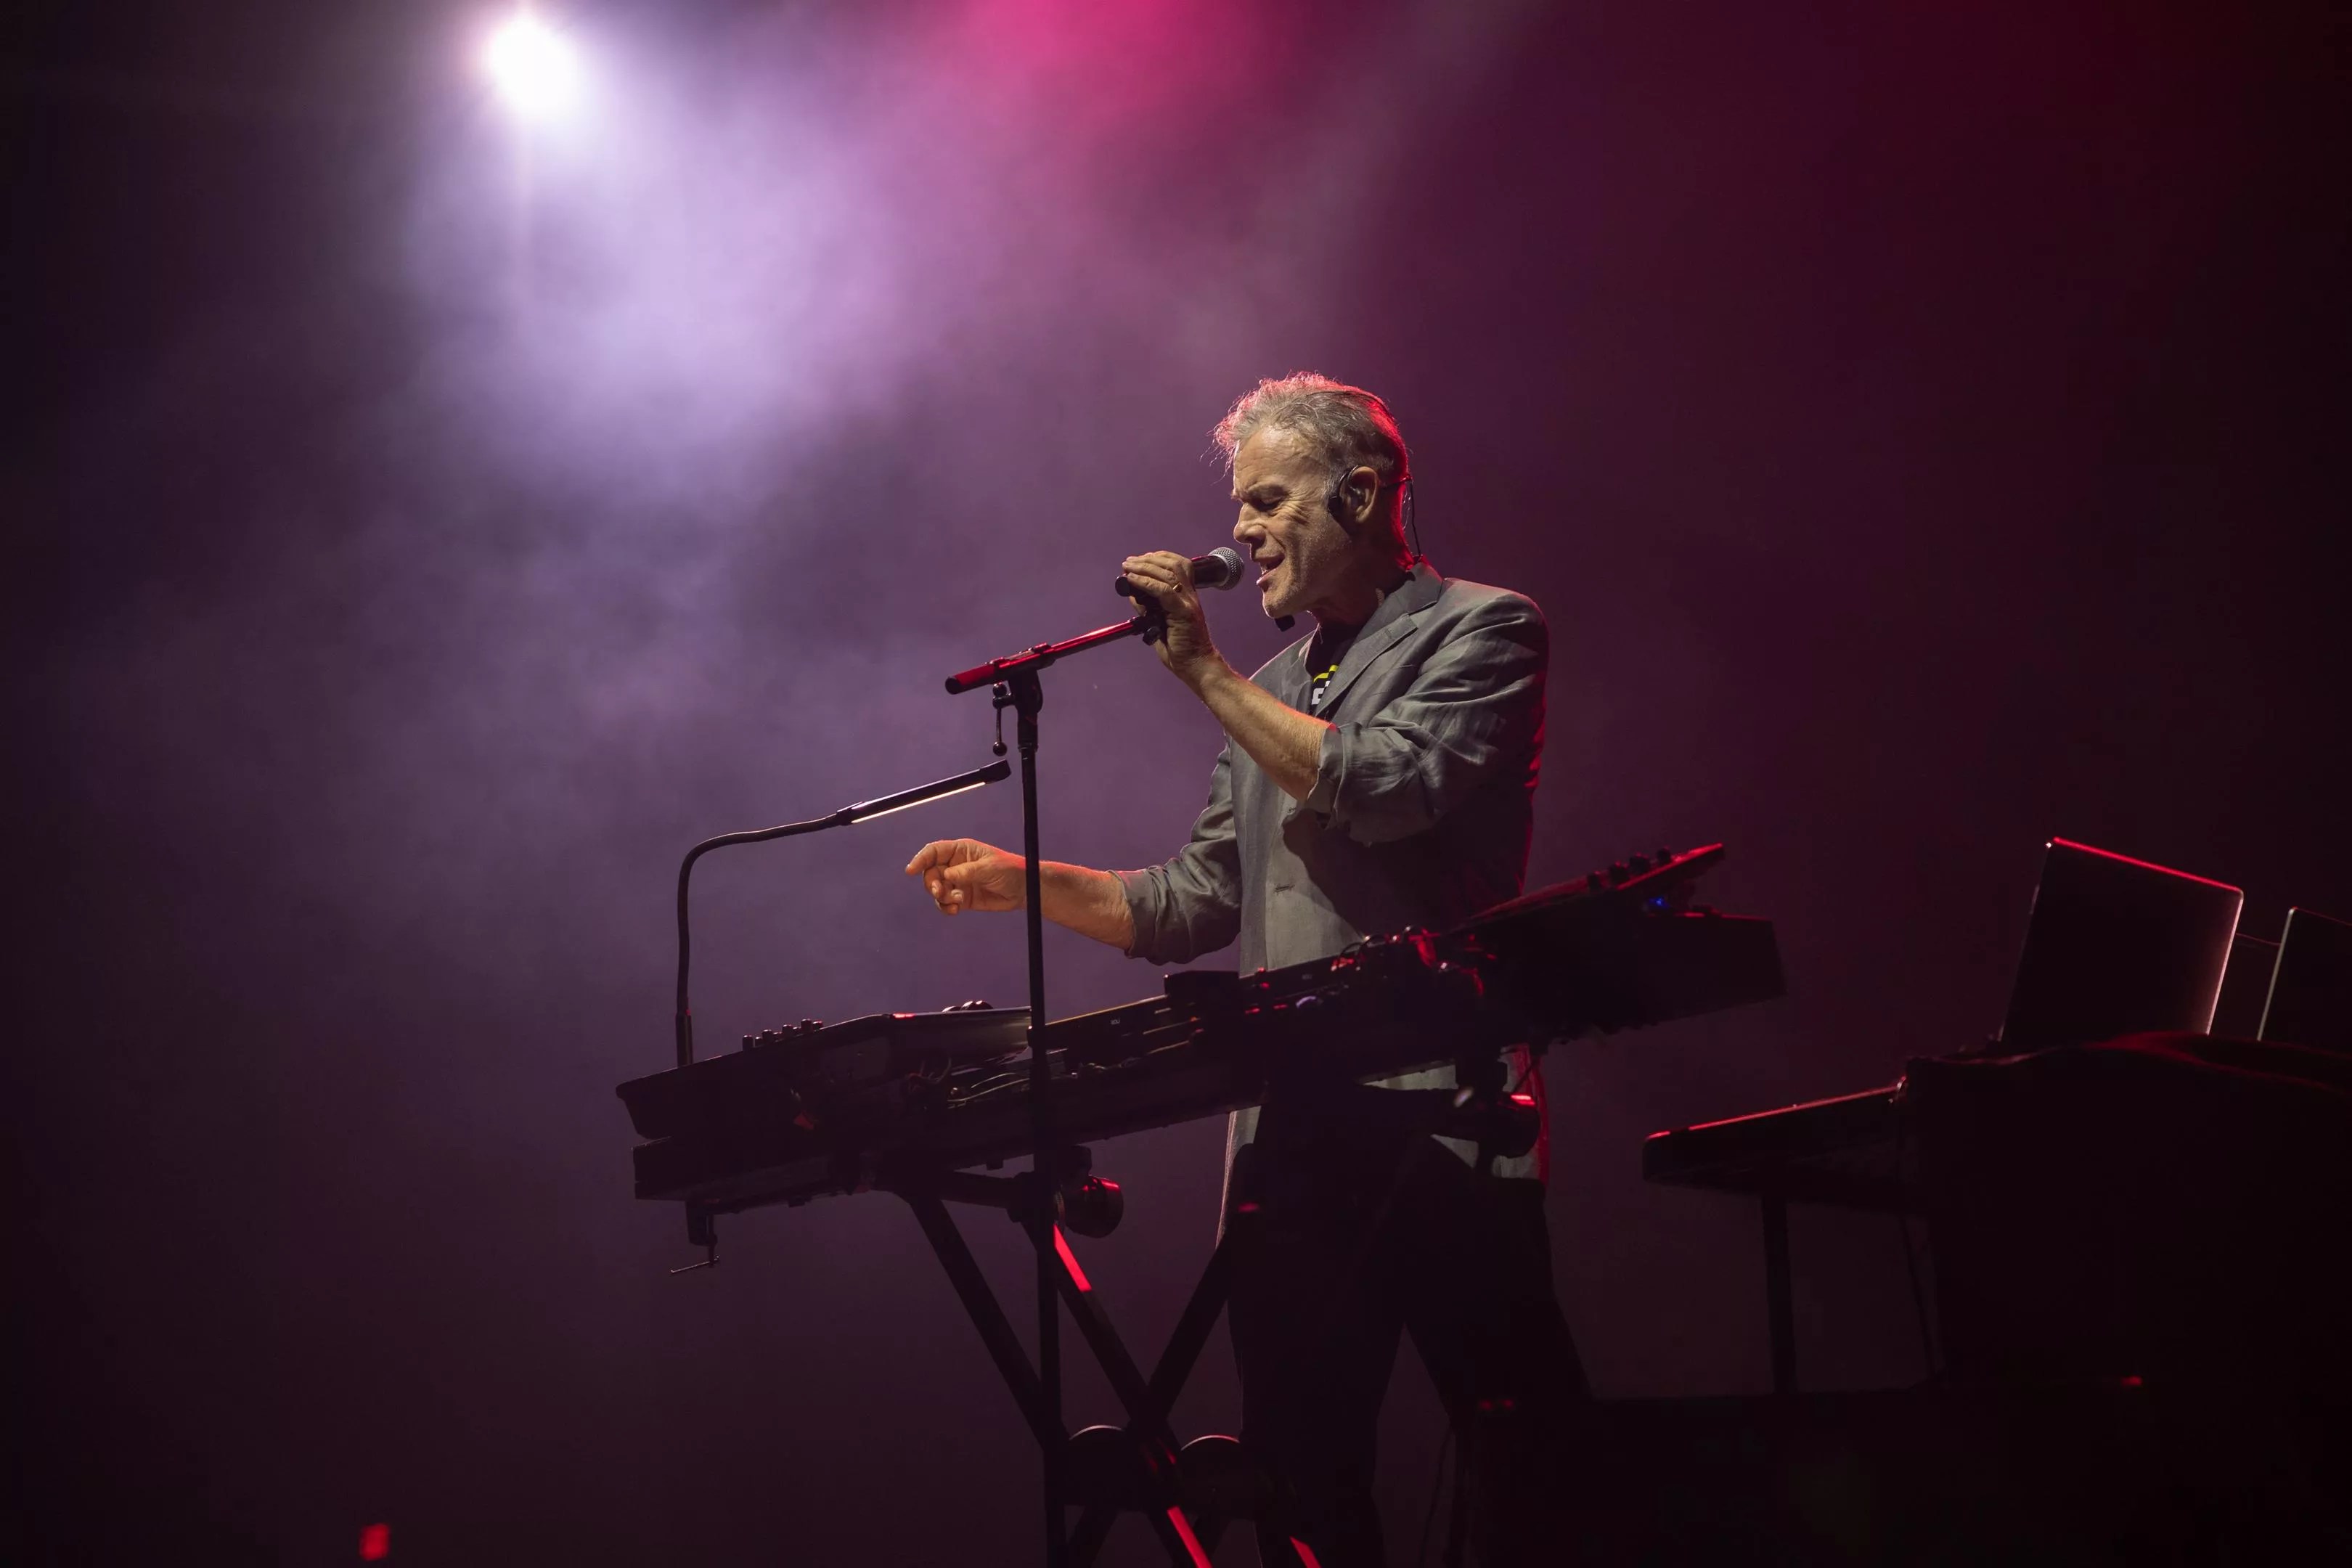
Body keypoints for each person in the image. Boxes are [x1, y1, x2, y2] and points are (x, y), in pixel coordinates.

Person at [905, 373, 1585, 1565]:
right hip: (1291, 1144)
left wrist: (1205, 677)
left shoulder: (1484, 628)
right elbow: (1191, 904)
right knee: (1300, 1485)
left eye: (1269, 500)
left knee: (1530, 1472)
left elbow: (1387, 786)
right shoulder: (1273, 692)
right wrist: (1023, 878)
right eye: (1241, 505)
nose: (1242, 530)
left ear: (1360, 494)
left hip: (1447, 1123)